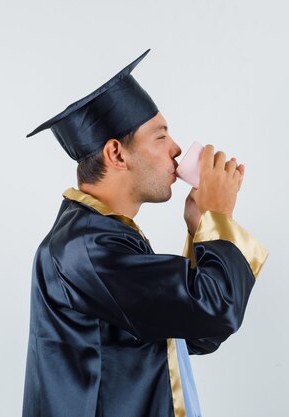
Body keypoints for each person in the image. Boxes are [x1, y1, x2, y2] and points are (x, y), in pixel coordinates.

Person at [22, 50, 268, 417]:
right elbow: (216, 311)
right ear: (117, 154)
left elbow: (195, 332)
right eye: (160, 136)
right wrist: (218, 215)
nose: (177, 149)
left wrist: (201, 227)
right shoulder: (86, 248)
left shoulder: (104, 237)